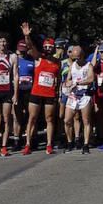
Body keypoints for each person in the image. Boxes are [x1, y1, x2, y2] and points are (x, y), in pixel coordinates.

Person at [21, 23, 60, 155]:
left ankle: (49, 144)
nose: (48, 49)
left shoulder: (56, 62)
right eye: (46, 47)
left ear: (54, 48)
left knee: (49, 118)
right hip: (36, 92)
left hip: (49, 93)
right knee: (32, 117)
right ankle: (27, 144)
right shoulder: (38, 57)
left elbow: (58, 78)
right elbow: (30, 46)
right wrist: (27, 36)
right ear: (43, 47)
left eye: (51, 47)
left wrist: (58, 92)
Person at [63, 45, 95, 154]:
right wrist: (68, 83)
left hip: (84, 94)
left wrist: (80, 82)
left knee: (86, 120)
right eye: (74, 58)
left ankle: (85, 144)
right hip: (73, 95)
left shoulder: (88, 65)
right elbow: (67, 80)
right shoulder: (72, 66)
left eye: (78, 57)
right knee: (67, 120)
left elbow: (91, 78)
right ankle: (69, 142)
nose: (77, 60)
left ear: (82, 55)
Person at [13, 40, 35, 149]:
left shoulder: (32, 60)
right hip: (18, 91)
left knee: (30, 116)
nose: (22, 53)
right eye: (20, 51)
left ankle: (30, 139)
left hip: (30, 91)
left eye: (24, 51)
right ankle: (17, 140)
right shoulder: (15, 60)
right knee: (17, 116)